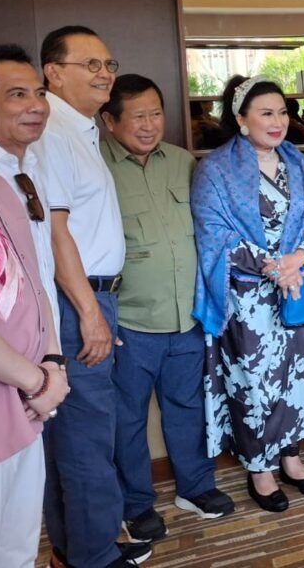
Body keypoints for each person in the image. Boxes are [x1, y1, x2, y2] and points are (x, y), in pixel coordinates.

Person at [192, 75, 304, 513]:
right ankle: (259, 469)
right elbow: (214, 235)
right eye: (266, 113)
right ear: (241, 119)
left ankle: (292, 459)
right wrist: (271, 266)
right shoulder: (215, 169)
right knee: (256, 382)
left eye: (282, 112)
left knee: (299, 378)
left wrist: (298, 258)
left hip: (299, 290)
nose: (278, 121)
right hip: (248, 299)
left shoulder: (298, 164)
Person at [101, 75, 234, 542]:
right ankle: (136, 505)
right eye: (137, 116)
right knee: (127, 420)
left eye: (155, 113)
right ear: (109, 120)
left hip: (186, 318)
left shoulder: (183, 162)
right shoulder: (94, 168)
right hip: (129, 322)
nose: (149, 124)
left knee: (188, 408)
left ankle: (195, 487)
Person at [36, 25, 150, 567]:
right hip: (77, 301)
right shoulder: (53, 132)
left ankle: (76, 550)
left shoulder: (79, 130)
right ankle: (94, 557)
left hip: (90, 298)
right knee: (86, 437)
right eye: (90, 64)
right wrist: (89, 312)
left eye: (108, 64)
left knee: (76, 436)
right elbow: (56, 234)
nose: (105, 74)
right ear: (53, 73)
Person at [0, 45, 70, 568]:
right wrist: (35, 380)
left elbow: (35, 282)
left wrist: (51, 364)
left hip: (26, 400)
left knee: (15, 550)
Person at [0, 45, 59, 334]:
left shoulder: (33, 166)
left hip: (43, 343)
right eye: (18, 94)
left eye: (40, 94)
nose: (37, 106)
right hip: (2, 351)